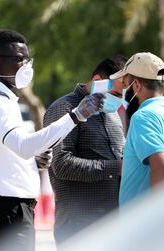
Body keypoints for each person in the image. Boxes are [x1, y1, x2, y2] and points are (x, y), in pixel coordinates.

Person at [0, 29, 104, 251]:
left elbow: (13, 150)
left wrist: (32, 161)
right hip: (6, 210)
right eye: (19, 59)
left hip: (7, 209)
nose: (26, 66)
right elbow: (23, 146)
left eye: (27, 59)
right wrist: (76, 116)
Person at [43, 55, 127, 244]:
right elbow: (62, 165)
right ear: (98, 81)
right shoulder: (64, 109)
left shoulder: (111, 113)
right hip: (78, 226)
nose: (119, 101)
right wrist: (116, 167)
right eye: (116, 94)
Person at [109, 52, 164, 207]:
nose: (123, 91)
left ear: (137, 85)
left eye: (126, 84)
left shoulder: (143, 117)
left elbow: (162, 167)